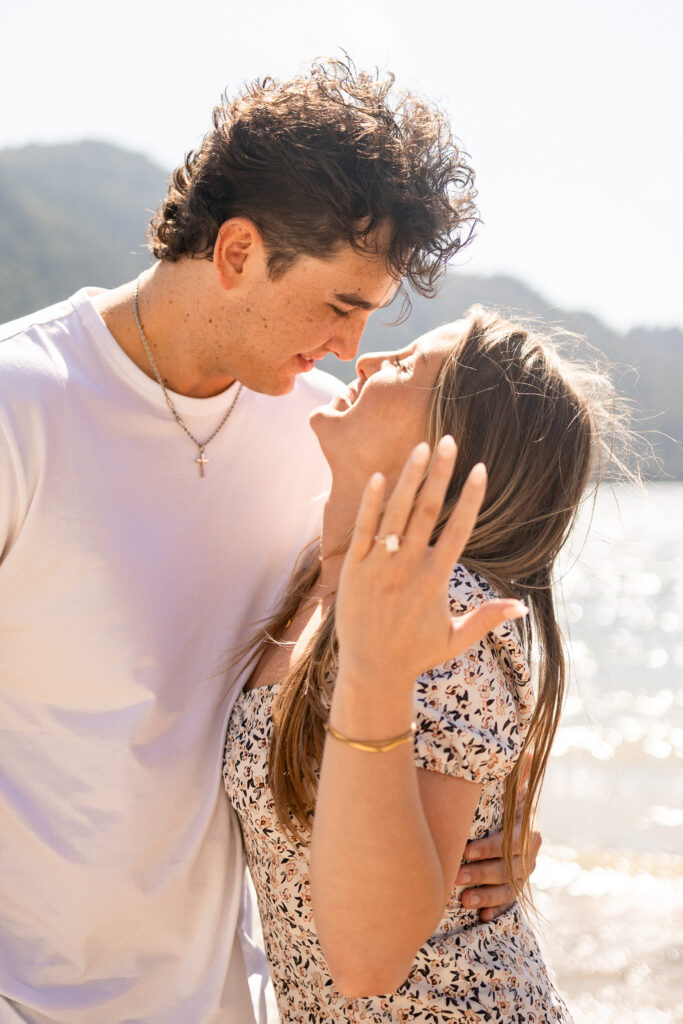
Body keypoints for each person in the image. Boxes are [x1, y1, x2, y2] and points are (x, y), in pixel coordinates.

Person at [0, 61, 529, 1024]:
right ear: (238, 251)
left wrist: (505, 812)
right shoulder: (18, 407)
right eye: (338, 305)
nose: (354, 349)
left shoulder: (331, 436)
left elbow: (472, 637)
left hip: (226, 1006)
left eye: (375, 315)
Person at [223, 307, 630, 1022]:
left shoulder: (446, 616)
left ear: (450, 450)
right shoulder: (317, 580)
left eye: (406, 365)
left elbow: (369, 961)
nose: (366, 362)